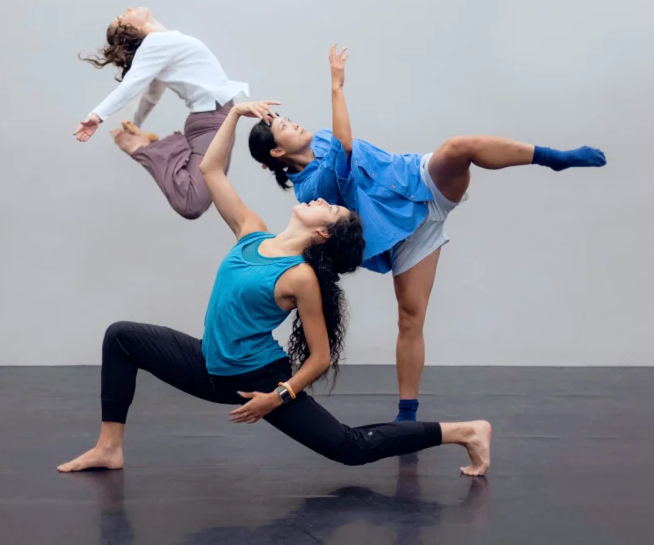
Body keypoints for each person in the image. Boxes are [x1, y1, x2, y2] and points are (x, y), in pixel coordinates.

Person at [57, 99, 493, 476]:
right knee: (121, 338)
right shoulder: (253, 232)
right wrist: (236, 115)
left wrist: (278, 396)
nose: (321, 200)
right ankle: (109, 448)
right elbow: (210, 169)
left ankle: (464, 431)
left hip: (258, 380)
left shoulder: (299, 277)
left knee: (348, 448)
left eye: (330, 211)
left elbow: (321, 356)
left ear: (323, 235)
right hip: (209, 366)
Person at [248, 45, 607, 422]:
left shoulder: (321, 137)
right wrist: (337, 86)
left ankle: (554, 159)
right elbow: (347, 146)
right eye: (283, 127)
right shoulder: (311, 191)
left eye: (288, 119)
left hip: (420, 182)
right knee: (410, 318)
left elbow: (340, 142)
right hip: (403, 237)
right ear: (275, 153)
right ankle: (408, 414)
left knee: (458, 147)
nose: (294, 124)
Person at [73, 7, 250, 219]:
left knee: (210, 191)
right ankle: (145, 148)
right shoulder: (154, 44)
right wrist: (97, 115)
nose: (128, 9)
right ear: (129, 28)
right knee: (192, 202)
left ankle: (147, 144)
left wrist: (133, 123)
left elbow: (152, 94)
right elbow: (132, 84)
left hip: (214, 117)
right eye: (122, 16)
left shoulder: (163, 42)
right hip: (212, 119)